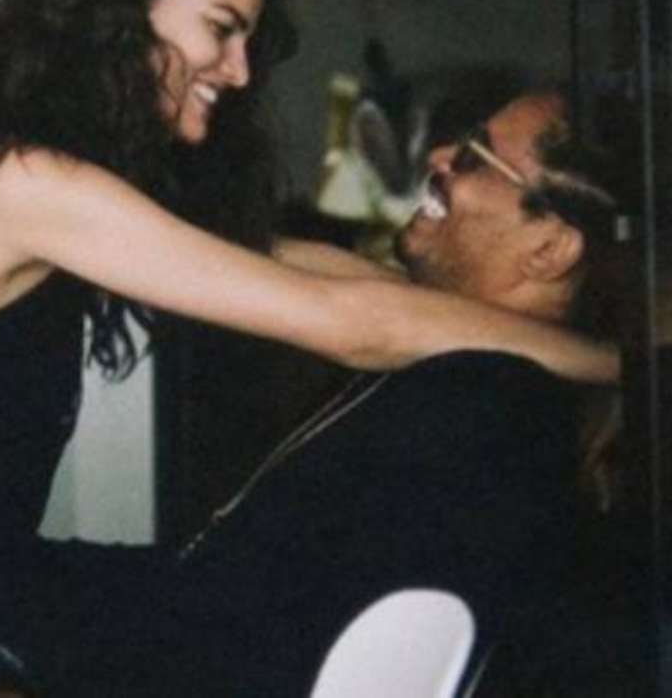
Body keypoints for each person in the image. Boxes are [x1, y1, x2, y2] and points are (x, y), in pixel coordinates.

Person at [0, 0, 617, 695]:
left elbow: (311, 268)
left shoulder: (41, 162)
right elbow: (348, 320)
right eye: (221, 28)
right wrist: (622, 365)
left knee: (196, 604)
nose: (238, 70)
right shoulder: (17, 181)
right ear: (120, 9)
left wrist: (579, 333)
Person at [47, 90, 626, 696]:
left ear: (549, 249)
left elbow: (264, 646)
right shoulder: (469, 374)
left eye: (474, 156)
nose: (439, 155)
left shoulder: (480, 415)